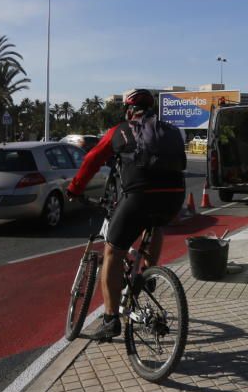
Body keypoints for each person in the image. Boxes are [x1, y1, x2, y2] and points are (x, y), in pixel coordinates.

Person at [66, 88, 186, 340]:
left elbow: (91, 160)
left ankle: (110, 319)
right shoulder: (170, 130)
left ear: (130, 111)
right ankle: (149, 273)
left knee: (112, 251)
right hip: (174, 197)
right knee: (154, 225)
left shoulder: (119, 130)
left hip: (139, 197)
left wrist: (75, 189)